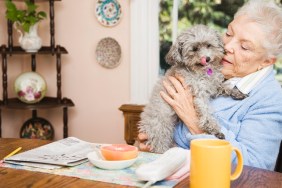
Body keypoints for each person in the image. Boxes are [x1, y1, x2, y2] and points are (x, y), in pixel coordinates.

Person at [138, 0, 282, 171]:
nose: (227, 46)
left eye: (244, 46)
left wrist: (195, 123)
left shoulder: (270, 99)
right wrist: (146, 147)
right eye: (228, 34)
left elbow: (256, 168)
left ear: (266, 61)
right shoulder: (210, 69)